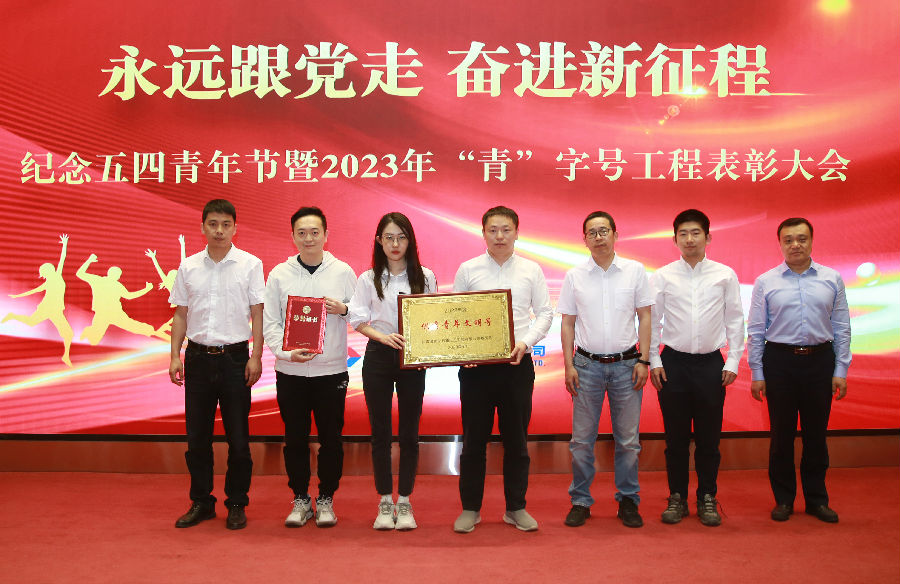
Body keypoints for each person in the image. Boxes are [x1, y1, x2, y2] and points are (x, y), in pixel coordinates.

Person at [451, 206, 553, 533]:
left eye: (506, 230)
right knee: (473, 443)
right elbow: (455, 314)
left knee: (517, 442)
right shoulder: (468, 269)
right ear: (483, 233)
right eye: (492, 230)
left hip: (516, 366)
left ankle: (515, 508)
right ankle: (470, 509)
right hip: (475, 370)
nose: (499, 236)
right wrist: (464, 351)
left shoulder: (531, 270)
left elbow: (545, 313)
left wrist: (525, 342)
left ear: (517, 233)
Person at [168, 199, 265, 530]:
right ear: (203, 227)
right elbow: (180, 313)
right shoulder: (189, 266)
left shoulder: (250, 264)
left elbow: (258, 313)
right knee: (197, 438)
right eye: (213, 224)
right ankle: (201, 501)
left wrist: (256, 356)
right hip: (197, 358)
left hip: (235, 359)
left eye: (225, 224)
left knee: (238, 439)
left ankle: (236, 502)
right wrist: (174, 355)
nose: (219, 230)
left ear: (235, 227)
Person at [748, 217, 850, 523]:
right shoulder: (766, 281)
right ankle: (784, 499)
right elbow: (756, 331)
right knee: (781, 435)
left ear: (811, 241)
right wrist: (757, 374)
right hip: (779, 362)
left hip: (820, 361)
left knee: (816, 435)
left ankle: (817, 499)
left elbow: (842, 326)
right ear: (780, 244)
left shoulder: (832, 278)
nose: (795, 245)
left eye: (802, 239)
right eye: (789, 240)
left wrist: (841, 369)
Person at [648, 209, 745, 527]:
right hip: (673, 364)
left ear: (708, 237)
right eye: (683, 234)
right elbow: (652, 322)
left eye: (696, 233)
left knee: (708, 439)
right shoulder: (662, 276)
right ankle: (676, 496)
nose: (689, 239)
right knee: (675, 439)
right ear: (675, 239)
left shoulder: (724, 274)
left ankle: (707, 496)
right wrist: (654, 360)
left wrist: (733, 360)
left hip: (710, 365)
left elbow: (735, 319)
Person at [263, 206, 356, 528]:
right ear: (292, 236)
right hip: (291, 373)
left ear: (326, 235)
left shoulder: (343, 271)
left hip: (331, 372)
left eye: (315, 232)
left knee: (331, 439)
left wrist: (344, 309)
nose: (309, 238)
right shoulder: (279, 274)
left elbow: (360, 313)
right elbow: (270, 323)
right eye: (301, 233)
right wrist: (286, 353)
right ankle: (301, 498)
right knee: (295, 439)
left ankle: (326, 497)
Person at [559, 211, 653, 529]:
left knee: (628, 441)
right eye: (592, 232)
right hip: (586, 366)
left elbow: (646, 317)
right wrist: (569, 365)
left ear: (615, 234)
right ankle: (580, 500)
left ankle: (628, 500)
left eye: (604, 231)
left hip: (628, 365)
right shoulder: (574, 276)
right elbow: (568, 323)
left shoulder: (635, 271)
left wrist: (644, 360)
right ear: (584, 239)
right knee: (581, 441)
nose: (598, 237)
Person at [347, 212, 437, 531]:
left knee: (410, 433)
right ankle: (385, 500)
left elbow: (433, 318)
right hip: (379, 356)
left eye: (401, 237)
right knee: (380, 432)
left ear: (410, 241)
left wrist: (428, 351)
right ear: (379, 241)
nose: (395, 244)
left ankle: (405, 501)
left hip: (413, 358)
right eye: (389, 238)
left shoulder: (425, 276)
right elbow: (357, 319)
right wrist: (382, 337)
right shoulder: (368, 278)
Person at [3, 234, 74, 366]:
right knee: (31, 323)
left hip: (56, 311)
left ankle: (66, 356)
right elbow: (33, 291)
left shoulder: (57, 276)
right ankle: (12, 316)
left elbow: (62, 258)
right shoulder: (50, 280)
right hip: (47, 309)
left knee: (68, 333)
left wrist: (65, 244)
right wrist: (17, 296)